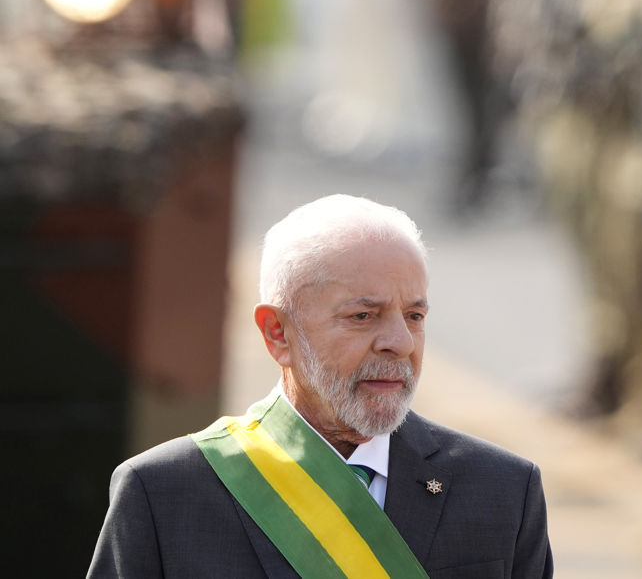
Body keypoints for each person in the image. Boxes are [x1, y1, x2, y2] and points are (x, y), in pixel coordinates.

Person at [88, 195, 553, 579]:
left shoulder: (503, 491)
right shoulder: (164, 494)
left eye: (415, 315)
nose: (399, 343)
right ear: (277, 333)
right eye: (362, 316)